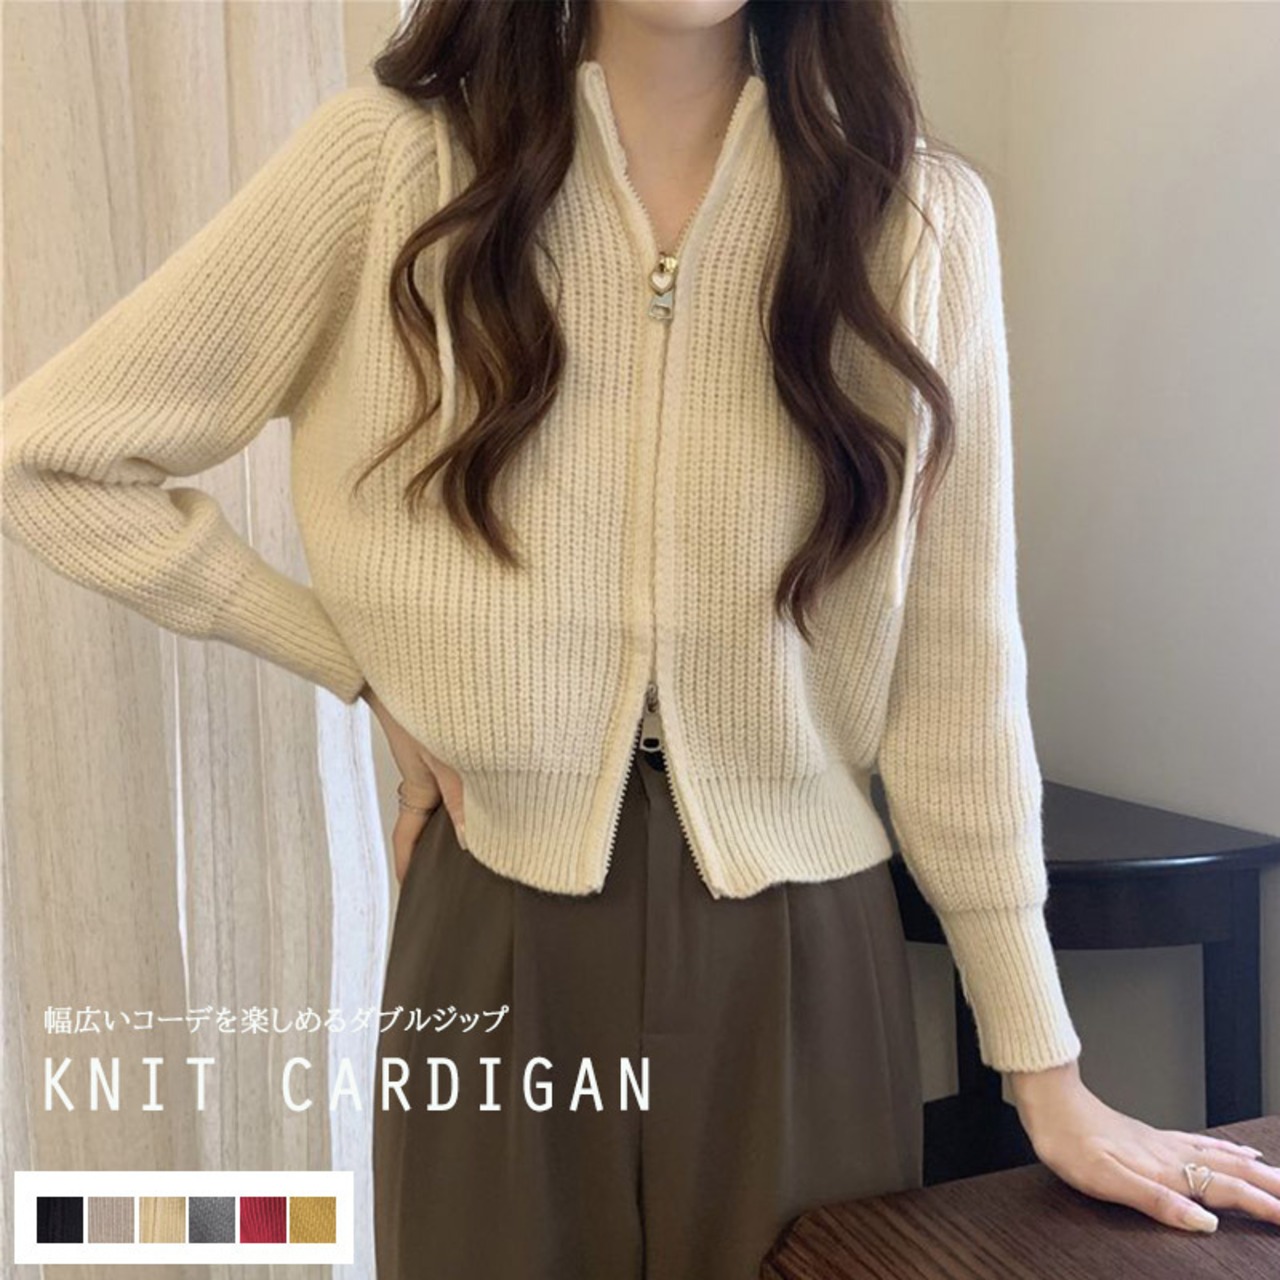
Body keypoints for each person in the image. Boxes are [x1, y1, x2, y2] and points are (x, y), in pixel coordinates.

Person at [3, 1, 1274, 1276]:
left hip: (800, 945)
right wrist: (353, 666)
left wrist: (1045, 1072)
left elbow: (956, 672)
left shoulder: (913, 217)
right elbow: (52, 459)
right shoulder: (389, 167)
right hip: (493, 911)